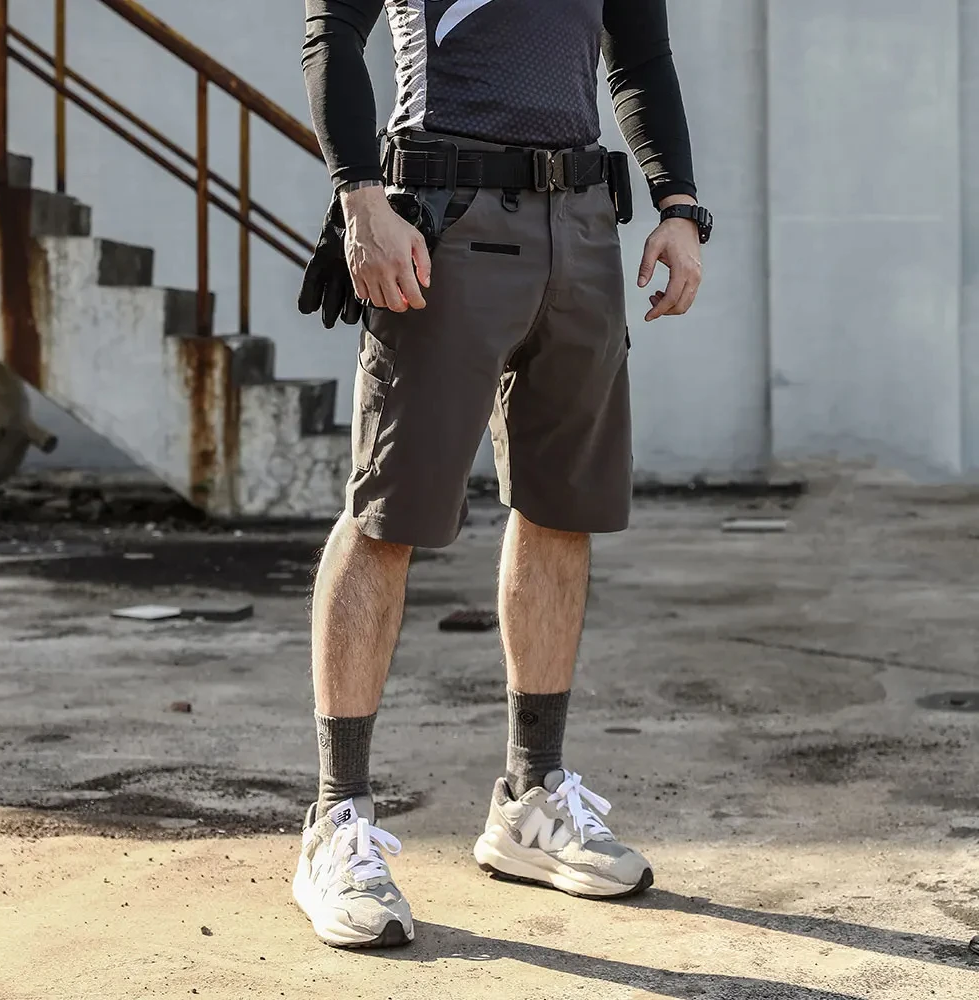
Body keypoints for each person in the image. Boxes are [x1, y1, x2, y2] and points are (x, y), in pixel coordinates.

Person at [294, 0, 711, 949]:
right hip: (443, 218)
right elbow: (331, 34)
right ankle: (335, 819)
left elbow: (640, 57)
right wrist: (361, 198)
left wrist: (679, 205)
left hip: (583, 221)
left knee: (563, 508)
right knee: (387, 516)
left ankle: (531, 801)